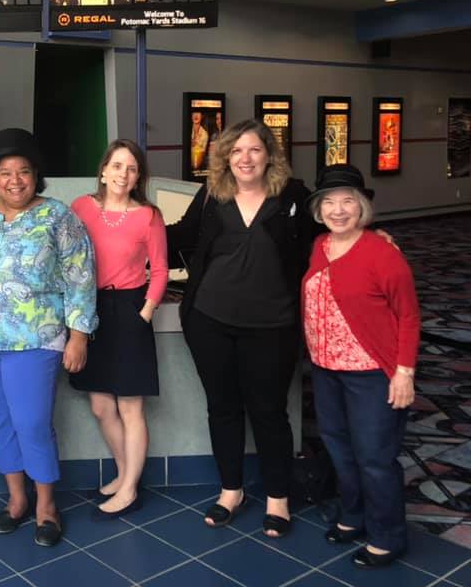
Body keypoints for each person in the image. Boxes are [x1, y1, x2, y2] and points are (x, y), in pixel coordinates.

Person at [166, 119, 317, 538]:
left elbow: (325, 236)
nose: (245, 158)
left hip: (273, 325)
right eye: (236, 151)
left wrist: (376, 237)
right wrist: (120, 235)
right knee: (223, 407)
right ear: (225, 158)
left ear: (269, 154)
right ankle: (231, 490)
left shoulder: (293, 195)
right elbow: (180, 234)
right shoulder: (214, 193)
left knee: (269, 412)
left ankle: (277, 497)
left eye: (253, 149)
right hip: (210, 320)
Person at [0, 128, 97, 547]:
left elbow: (80, 278)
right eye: (5, 172)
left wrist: (79, 336)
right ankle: (16, 500)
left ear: (36, 175)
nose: (14, 180)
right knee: (0, 421)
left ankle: (46, 506)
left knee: (32, 424)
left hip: (35, 339)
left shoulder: (59, 217)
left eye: (23, 171)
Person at [302, 165, 418, 569]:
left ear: (363, 207)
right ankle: (353, 517)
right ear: (318, 209)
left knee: (374, 455)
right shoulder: (319, 245)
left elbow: (408, 316)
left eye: (348, 201)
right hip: (326, 368)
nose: (338, 210)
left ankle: (388, 535)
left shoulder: (382, 253)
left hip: (371, 372)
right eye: (329, 202)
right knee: (340, 448)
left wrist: (404, 372)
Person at [70, 139, 168, 518]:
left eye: (131, 168)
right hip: (90, 309)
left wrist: (144, 313)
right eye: (116, 166)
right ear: (103, 170)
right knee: (99, 405)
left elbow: (159, 270)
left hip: (129, 308)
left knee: (130, 406)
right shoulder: (81, 207)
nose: (122, 174)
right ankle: (125, 472)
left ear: (138, 175)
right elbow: (68, 256)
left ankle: (128, 489)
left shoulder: (148, 215)